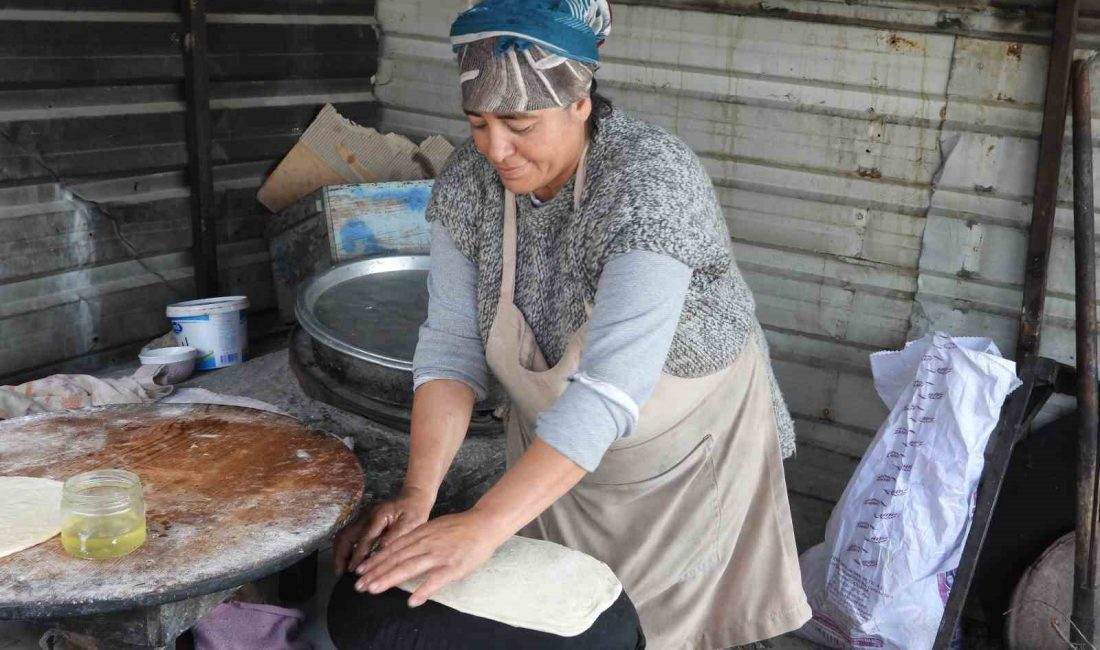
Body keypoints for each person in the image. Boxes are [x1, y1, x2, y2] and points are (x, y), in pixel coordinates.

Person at [331, 0, 811, 647]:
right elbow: (450, 348)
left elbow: (611, 389)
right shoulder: (472, 183)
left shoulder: (647, 184)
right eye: (478, 122)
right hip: (558, 455)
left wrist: (483, 524)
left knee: (673, 631)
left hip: (684, 453)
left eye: (519, 124)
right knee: (566, 617)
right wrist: (419, 496)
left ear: (579, 104)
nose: (496, 148)